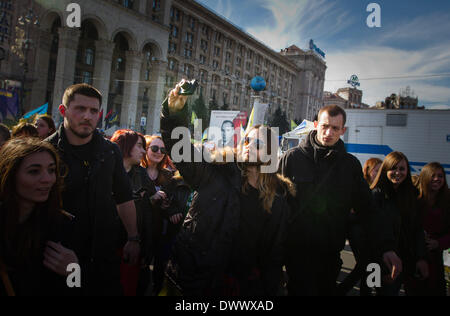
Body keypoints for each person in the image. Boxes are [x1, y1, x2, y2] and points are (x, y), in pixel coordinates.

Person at [161, 80, 294, 296]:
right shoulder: (217, 173)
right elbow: (180, 151)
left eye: (258, 144)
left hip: (244, 288)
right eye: (247, 141)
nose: (250, 145)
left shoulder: (278, 198)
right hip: (198, 279)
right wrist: (174, 115)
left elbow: (274, 255)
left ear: (270, 153)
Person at [278, 105, 402, 296]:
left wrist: (387, 247)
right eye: (325, 126)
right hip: (297, 255)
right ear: (316, 125)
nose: (329, 133)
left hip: (330, 257)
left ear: (343, 131)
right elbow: (277, 206)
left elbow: (368, 209)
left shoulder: (350, 165)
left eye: (335, 128)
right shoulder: (292, 159)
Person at [46, 83, 140, 295]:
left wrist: (133, 238)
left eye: (93, 111)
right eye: (80, 109)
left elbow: (124, 197)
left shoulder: (110, 151)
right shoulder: (47, 152)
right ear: (64, 111)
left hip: (103, 256)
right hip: (64, 257)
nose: (88, 116)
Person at [0, 138, 78, 296]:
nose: (47, 179)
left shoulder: (63, 224)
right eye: (34, 171)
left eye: (51, 170)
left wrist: (74, 271)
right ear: (10, 174)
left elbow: (75, 288)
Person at [370, 151, 429, 296]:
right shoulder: (376, 196)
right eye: (393, 168)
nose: (398, 172)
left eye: (402, 169)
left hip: (404, 261)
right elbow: (371, 233)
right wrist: (383, 269)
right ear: (385, 170)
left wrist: (421, 258)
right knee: (377, 291)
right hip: (378, 263)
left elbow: (417, 229)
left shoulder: (411, 195)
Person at [142, 134, 189, 296]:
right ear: (146, 149)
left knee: (158, 271)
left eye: (162, 149)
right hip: (140, 229)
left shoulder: (168, 175)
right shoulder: (137, 172)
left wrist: (169, 209)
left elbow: (172, 201)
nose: (158, 152)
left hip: (160, 230)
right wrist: (151, 199)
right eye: (154, 148)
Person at [111, 129, 154, 296]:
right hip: (105, 247)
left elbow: (147, 216)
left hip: (131, 248)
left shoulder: (141, 174)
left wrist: (146, 250)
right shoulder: (104, 170)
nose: (144, 151)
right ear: (125, 145)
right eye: (139, 146)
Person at [338, 157, 383, 296]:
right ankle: (340, 291)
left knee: (369, 265)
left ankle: (367, 291)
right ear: (368, 171)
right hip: (358, 232)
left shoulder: (381, 190)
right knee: (366, 264)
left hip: (372, 233)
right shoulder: (362, 187)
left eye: (381, 169)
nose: (379, 173)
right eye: (376, 170)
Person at [408, 162, 449, 296]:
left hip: (435, 259)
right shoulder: (414, 200)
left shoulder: (447, 202)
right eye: (433, 175)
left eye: (440, 176)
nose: (437, 179)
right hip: (413, 257)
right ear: (425, 177)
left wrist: (439, 243)